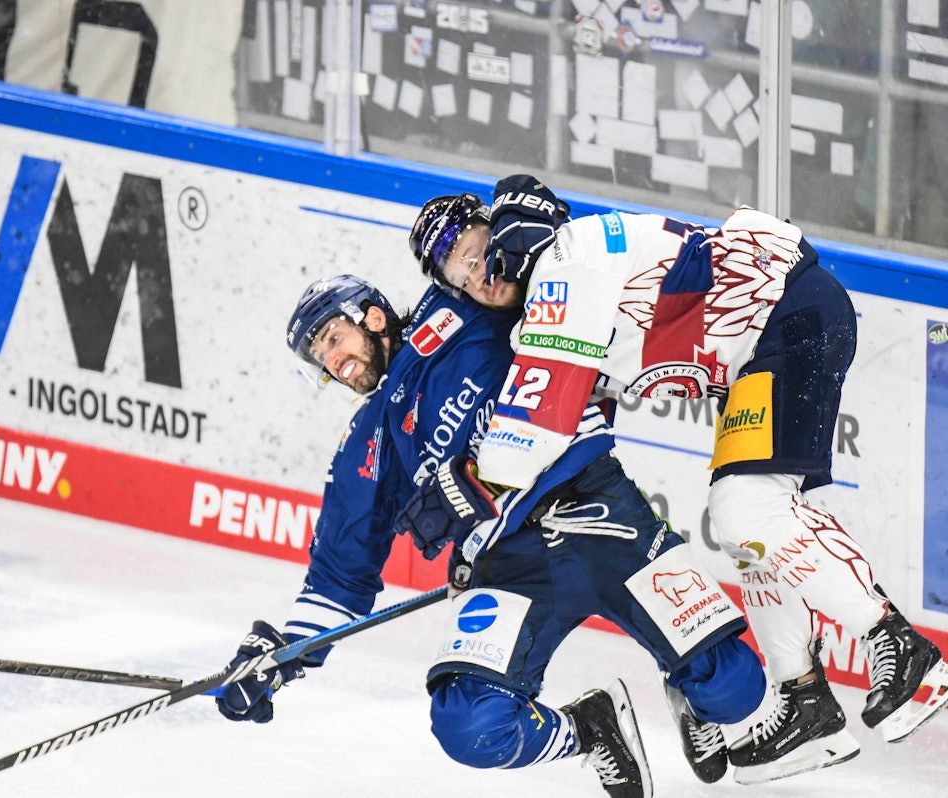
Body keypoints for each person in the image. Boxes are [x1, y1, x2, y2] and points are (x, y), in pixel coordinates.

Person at [406, 175, 948, 784]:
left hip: (788, 317)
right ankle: (802, 698)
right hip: (764, 345)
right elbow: (570, 425)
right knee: (745, 523)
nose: (476, 272)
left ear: (502, 230)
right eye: (457, 273)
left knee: (745, 510)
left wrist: (467, 493)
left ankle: (899, 644)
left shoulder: (566, 259)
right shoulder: (553, 298)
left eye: (474, 249)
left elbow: (541, 415)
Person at [214, 270, 767, 796]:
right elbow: (340, 572)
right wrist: (283, 655)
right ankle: (592, 728)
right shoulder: (369, 437)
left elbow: (559, 292)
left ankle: (692, 690)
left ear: (374, 316)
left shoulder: (463, 304)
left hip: (603, 512)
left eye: (335, 338)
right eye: (322, 357)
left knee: (737, 689)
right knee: (471, 727)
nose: (337, 362)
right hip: (512, 567)